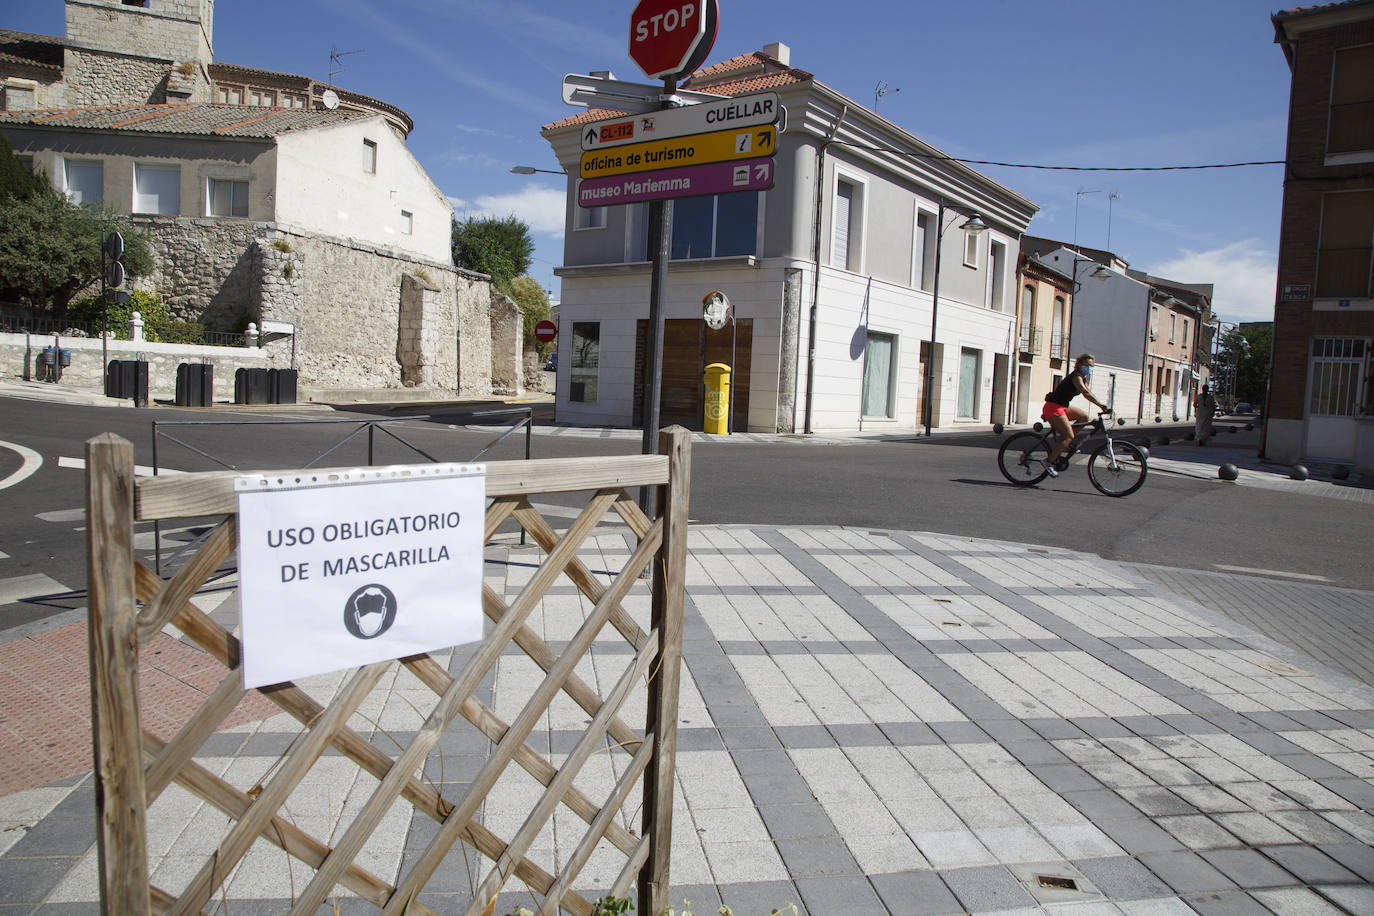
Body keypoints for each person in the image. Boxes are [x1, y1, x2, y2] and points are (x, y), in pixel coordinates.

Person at [1040, 353, 1111, 477]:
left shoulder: (1083, 378)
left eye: (1091, 366)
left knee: (1084, 417)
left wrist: (1103, 405)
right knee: (1068, 436)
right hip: (1053, 407)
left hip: (1062, 407)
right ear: (1079, 365)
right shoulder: (1076, 376)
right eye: (1087, 365)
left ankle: (1067, 439)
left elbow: (1089, 391)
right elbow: (1084, 392)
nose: (1089, 368)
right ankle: (1048, 462)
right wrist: (1101, 406)